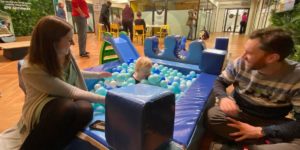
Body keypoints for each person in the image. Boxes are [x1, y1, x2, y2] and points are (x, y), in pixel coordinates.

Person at [0, 16, 112, 150]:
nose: (72, 44)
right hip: (43, 105)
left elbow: (74, 72)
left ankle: (57, 144)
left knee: (85, 109)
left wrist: (97, 74)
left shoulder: (64, 54)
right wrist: (107, 100)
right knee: (65, 107)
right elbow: (70, 91)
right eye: (68, 40)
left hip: (64, 98)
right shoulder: (30, 69)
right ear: (52, 42)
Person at [207, 27, 300, 149]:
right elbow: (220, 82)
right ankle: (261, 145)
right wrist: (224, 98)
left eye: (249, 53)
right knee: (213, 116)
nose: (242, 56)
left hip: (273, 121)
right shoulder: (240, 63)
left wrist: (262, 131)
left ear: (272, 58)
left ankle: (239, 145)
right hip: (240, 114)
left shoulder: (296, 77)